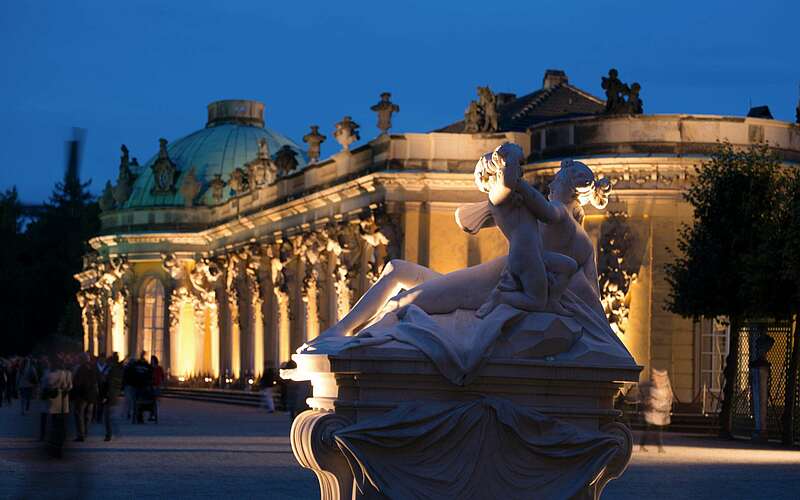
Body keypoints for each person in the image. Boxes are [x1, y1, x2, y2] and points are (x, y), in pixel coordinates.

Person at [639, 368, 674, 453]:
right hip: (651, 413)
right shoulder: (651, 388)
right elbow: (648, 399)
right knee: (649, 430)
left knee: (657, 431)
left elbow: (666, 399)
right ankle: (645, 445)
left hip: (659, 414)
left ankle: (658, 447)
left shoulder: (663, 389)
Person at [43, 357, 72, 457]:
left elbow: (45, 386)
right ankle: (59, 446)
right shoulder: (65, 374)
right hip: (62, 401)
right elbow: (68, 387)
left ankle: (53, 446)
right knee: (61, 425)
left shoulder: (48, 373)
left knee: (53, 424)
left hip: (52, 400)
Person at [72, 353, 99, 442]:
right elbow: (97, 380)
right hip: (91, 395)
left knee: (79, 415)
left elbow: (77, 382)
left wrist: (74, 393)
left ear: (82, 359)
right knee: (88, 415)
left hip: (82, 395)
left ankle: (81, 434)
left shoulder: (80, 369)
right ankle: (85, 432)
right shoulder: (94, 367)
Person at [100, 353, 123, 441]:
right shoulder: (117, 369)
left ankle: (109, 434)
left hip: (110, 395)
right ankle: (112, 433)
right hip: (113, 394)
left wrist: (106, 396)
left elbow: (109, 383)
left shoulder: (112, 370)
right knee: (109, 415)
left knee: (107, 416)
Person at [150, 355, 164, 422]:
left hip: (156, 386)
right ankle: (152, 414)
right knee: (152, 401)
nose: (152, 361)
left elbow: (162, 376)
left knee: (154, 401)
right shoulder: (150, 368)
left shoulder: (159, 368)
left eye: (152, 360)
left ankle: (153, 414)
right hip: (151, 386)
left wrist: (162, 384)